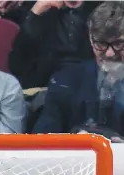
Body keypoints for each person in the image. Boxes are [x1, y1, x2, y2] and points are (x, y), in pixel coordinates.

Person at [33, 1, 124, 139]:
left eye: (118, 43)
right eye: (101, 43)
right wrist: (71, 142)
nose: (110, 53)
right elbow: (42, 140)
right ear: (90, 39)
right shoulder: (64, 81)